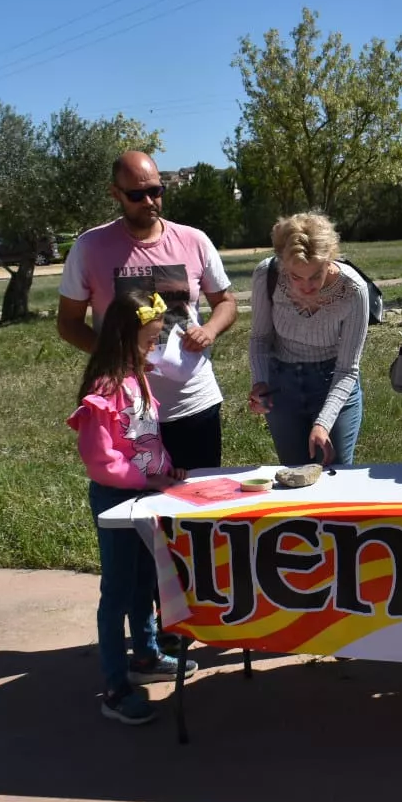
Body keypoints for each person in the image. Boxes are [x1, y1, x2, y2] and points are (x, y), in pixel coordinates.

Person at [57, 151, 238, 471]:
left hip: (194, 403)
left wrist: (209, 330)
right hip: (126, 408)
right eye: (136, 195)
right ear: (116, 193)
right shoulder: (89, 247)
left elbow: (226, 302)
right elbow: (68, 323)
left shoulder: (194, 241)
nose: (149, 201)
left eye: (156, 191)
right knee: (135, 512)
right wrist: (116, 356)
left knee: (197, 507)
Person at [66, 285, 194, 724]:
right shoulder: (105, 388)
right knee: (117, 592)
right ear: (125, 338)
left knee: (145, 581)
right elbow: (101, 460)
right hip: (118, 500)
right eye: (150, 339)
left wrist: (167, 468)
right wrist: (148, 477)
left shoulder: (137, 377)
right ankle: (115, 687)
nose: (156, 345)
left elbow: (147, 437)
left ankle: (145, 654)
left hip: (145, 494)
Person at [247, 213, 368, 467]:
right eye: (295, 277)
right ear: (283, 263)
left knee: (336, 474)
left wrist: (324, 422)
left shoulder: (353, 290)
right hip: (283, 386)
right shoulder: (267, 275)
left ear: (329, 259)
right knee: (294, 475)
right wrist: (260, 383)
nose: (306, 287)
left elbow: (347, 368)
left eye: (315, 275)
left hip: (333, 382)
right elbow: (260, 338)